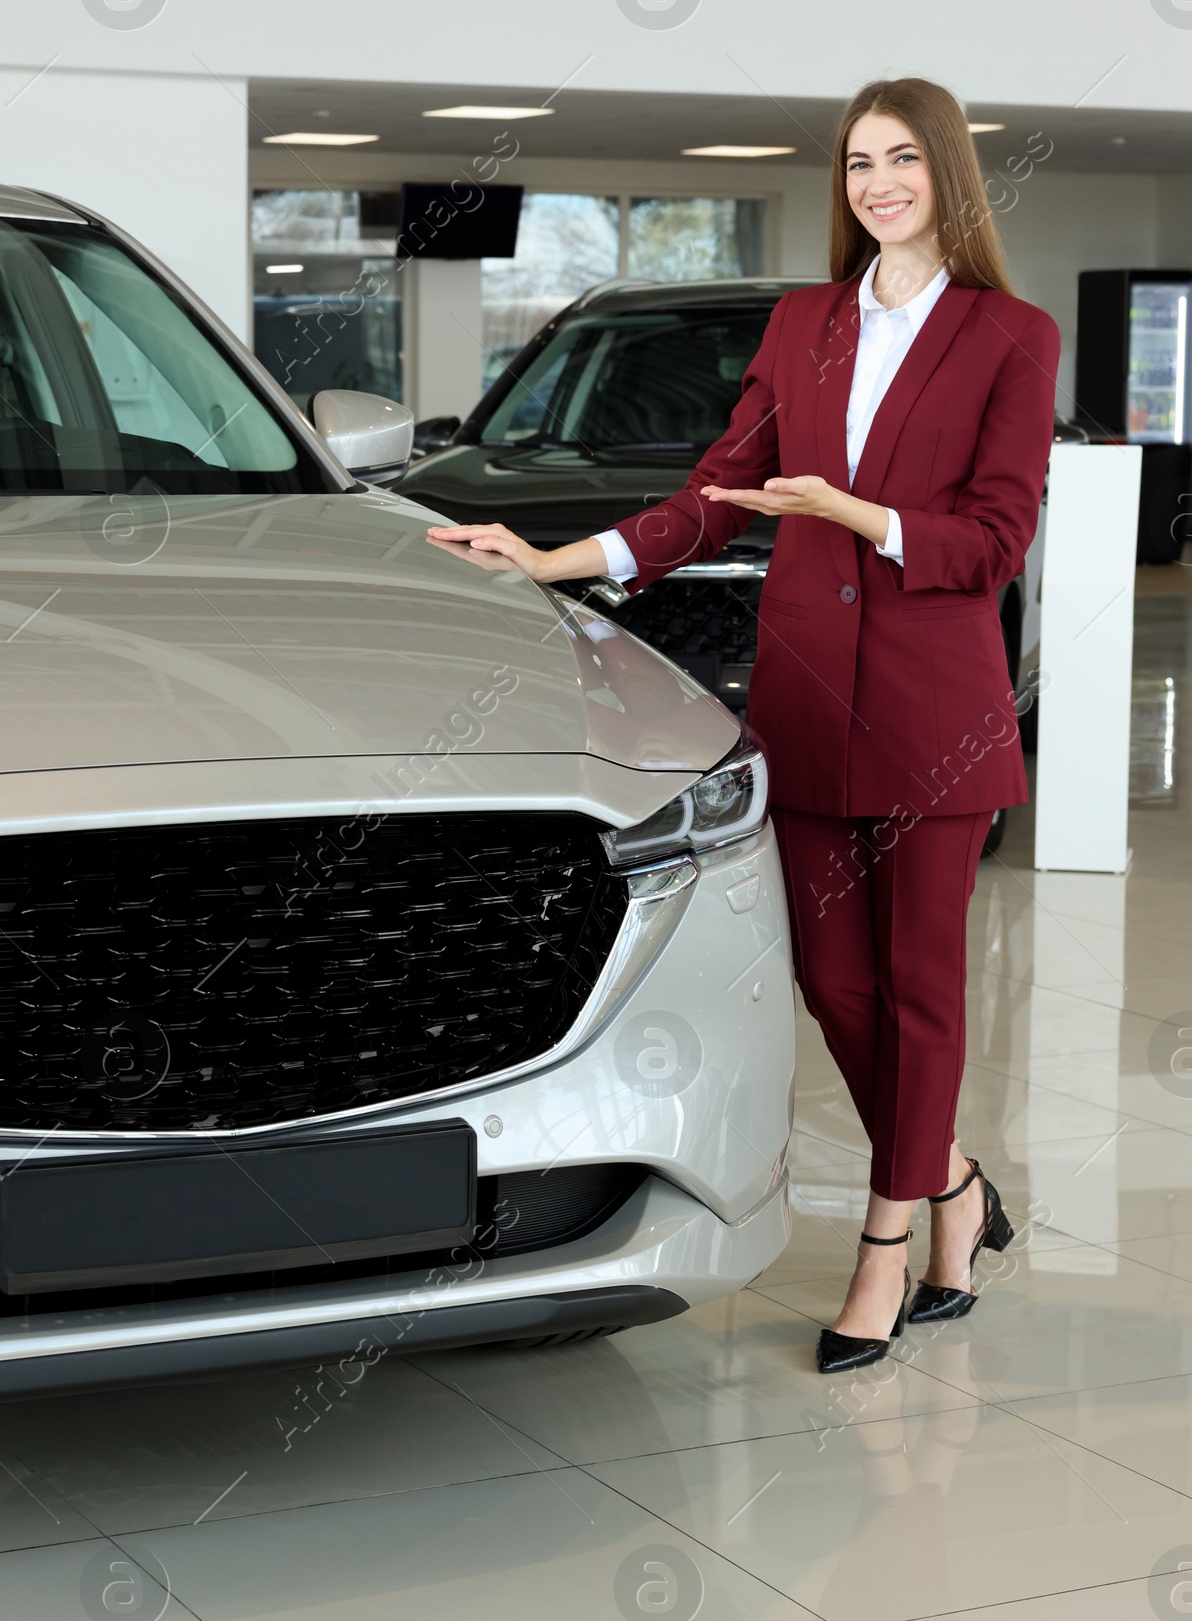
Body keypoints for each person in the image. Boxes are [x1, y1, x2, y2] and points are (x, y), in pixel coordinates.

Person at [426, 77, 1058, 1373]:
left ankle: (889, 1244)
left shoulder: (1012, 335)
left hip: (938, 716)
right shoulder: (806, 323)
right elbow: (717, 492)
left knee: (922, 994)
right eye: (857, 163)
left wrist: (853, 514)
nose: (878, 184)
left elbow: (996, 539)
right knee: (835, 984)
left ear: (947, 174)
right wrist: (563, 558)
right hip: (810, 705)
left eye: (901, 159)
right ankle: (956, 1188)